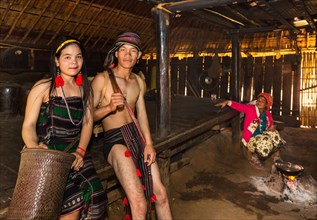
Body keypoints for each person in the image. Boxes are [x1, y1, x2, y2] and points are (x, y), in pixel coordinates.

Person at [22, 36, 107, 219]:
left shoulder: (85, 89)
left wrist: (81, 151)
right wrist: (35, 148)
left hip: (75, 150)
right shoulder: (43, 87)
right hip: (50, 153)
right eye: (67, 57)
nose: (74, 62)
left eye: (78, 57)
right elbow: (28, 125)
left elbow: (87, 122)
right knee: (70, 200)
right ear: (57, 61)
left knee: (96, 195)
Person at [91, 31, 172, 220]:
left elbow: (142, 115)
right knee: (138, 202)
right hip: (115, 141)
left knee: (161, 195)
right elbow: (88, 117)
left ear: (139, 57)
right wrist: (109, 107)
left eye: (133, 51)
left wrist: (149, 144)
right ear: (116, 53)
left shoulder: (138, 81)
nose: (128, 55)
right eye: (123, 50)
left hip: (137, 138)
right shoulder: (103, 79)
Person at [215, 93, 285, 170]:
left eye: (262, 101)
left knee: (275, 133)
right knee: (265, 139)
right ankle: (253, 158)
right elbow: (239, 106)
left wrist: (272, 127)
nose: (259, 102)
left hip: (262, 136)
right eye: (258, 100)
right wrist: (227, 102)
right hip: (251, 139)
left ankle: (276, 156)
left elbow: (270, 125)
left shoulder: (267, 114)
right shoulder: (250, 109)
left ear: (266, 104)